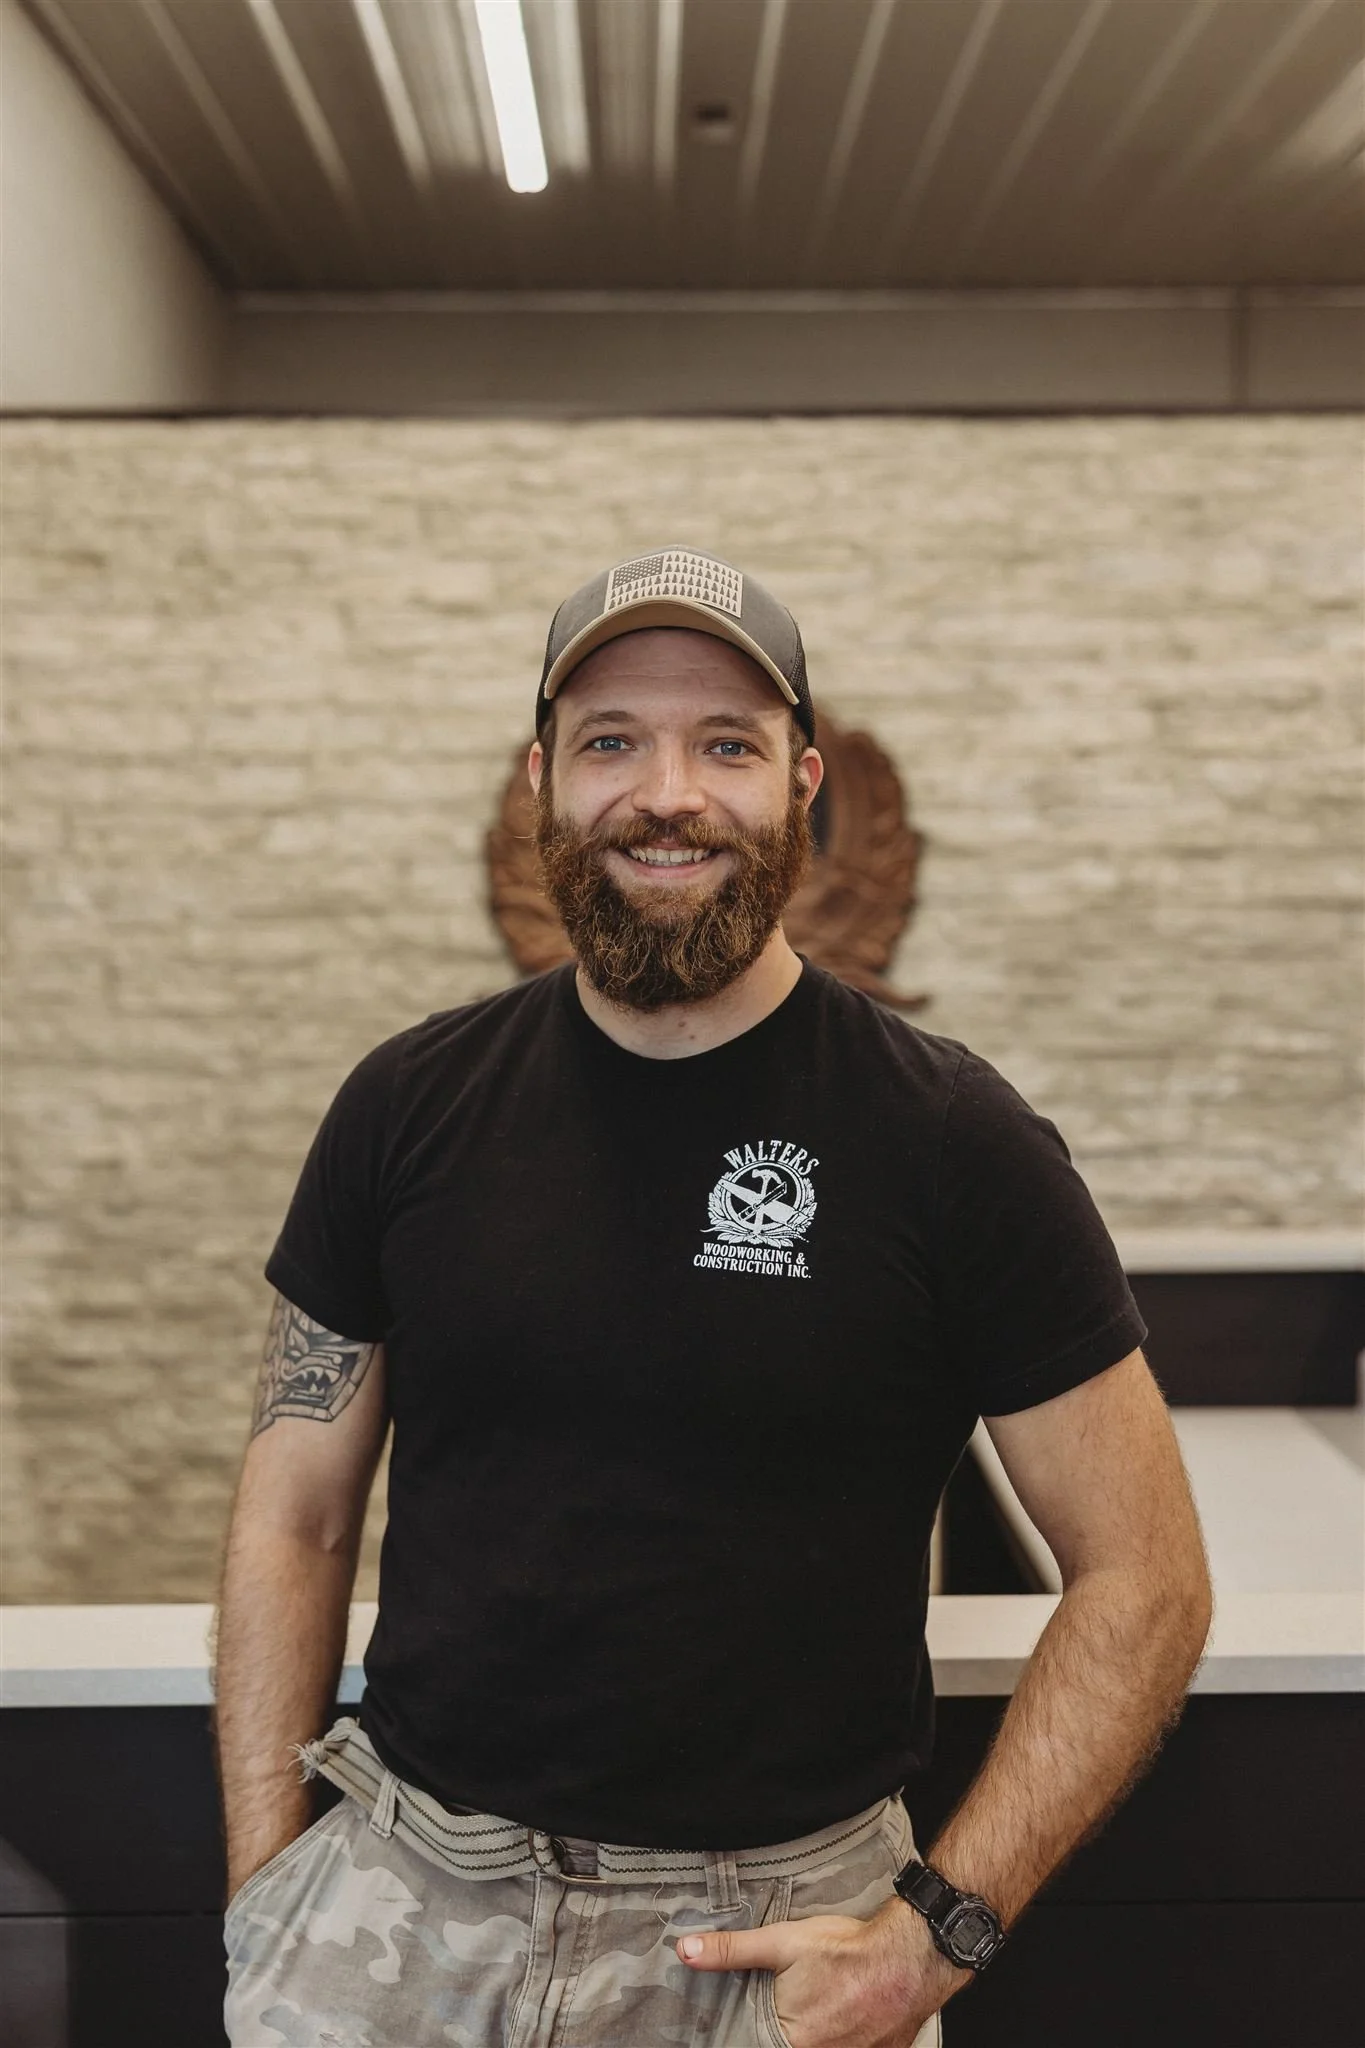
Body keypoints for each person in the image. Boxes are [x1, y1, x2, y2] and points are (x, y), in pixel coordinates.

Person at [215, 546, 1211, 2047]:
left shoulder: (953, 1141)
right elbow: (292, 1516)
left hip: (779, 1949)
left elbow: (1145, 1575)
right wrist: (267, 1893)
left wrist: (933, 1941)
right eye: (612, 740)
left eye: (727, 746)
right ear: (544, 782)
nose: (666, 793)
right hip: (396, 1917)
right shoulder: (404, 1105)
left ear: (804, 785)